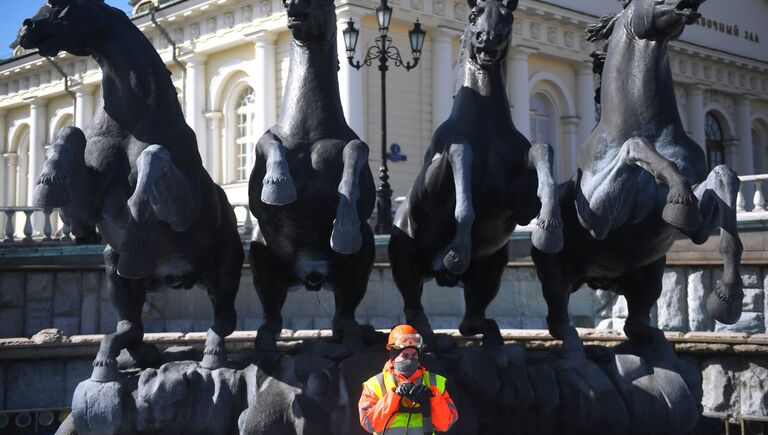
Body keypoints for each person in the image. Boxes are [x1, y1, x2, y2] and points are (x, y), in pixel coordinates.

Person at [358, 325, 459, 434]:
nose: (410, 360)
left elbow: (446, 423)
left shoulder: (435, 383)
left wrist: (433, 397)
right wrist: (394, 396)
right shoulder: (374, 385)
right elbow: (370, 424)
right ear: (393, 355)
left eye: (414, 355)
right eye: (405, 356)